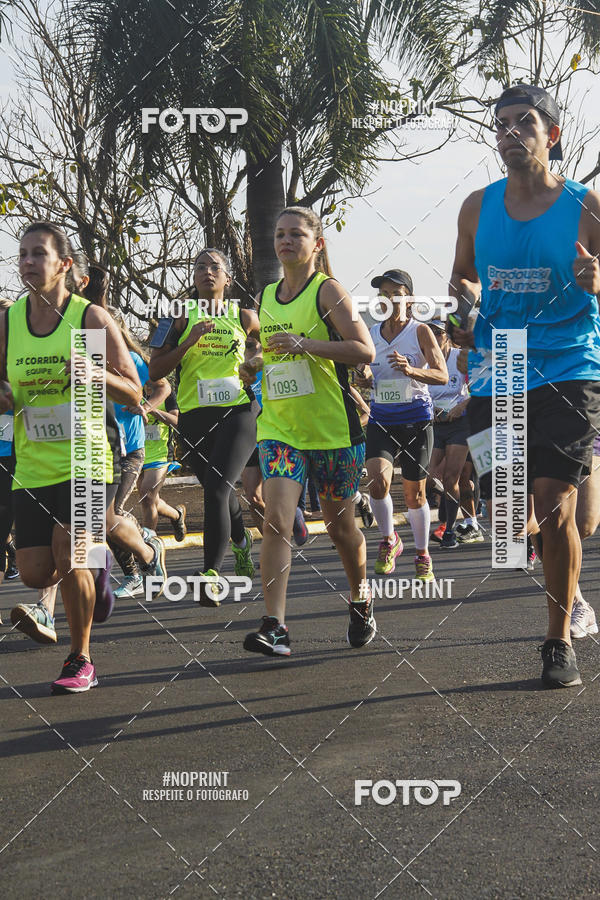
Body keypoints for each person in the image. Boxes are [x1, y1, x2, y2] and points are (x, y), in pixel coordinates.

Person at [450, 84, 600, 688]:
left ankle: (557, 640)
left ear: (552, 135)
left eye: (524, 123)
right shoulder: (476, 207)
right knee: (508, 522)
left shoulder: (586, 205)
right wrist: (464, 304)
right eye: (502, 124)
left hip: (568, 363)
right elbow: (462, 276)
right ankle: (566, 580)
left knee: (552, 503)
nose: (511, 133)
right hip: (499, 363)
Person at [0, 222, 143, 694]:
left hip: (85, 461)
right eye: (22, 254)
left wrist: (94, 372)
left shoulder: (89, 320)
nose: (26, 262)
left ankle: (80, 658)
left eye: (37, 254)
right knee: (36, 572)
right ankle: (96, 576)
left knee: (71, 552)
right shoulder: (9, 321)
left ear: (64, 265)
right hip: (33, 464)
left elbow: (135, 395)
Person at [239, 206, 376, 656]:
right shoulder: (266, 294)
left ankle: (360, 599)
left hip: (332, 430)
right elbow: (270, 353)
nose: (286, 241)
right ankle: (274, 625)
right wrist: (255, 365)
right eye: (280, 234)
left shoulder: (327, 290)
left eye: (296, 234)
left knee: (341, 531)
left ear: (317, 244)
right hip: (280, 428)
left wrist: (306, 345)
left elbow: (363, 349)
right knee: (277, 521)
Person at [149, 248, 258, 603]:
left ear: (227, 278)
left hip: (238, 411)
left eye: (215, 267)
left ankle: (211, 573)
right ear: (192, 277)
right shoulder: (178, 316)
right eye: (199, 267)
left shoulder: (243, 316)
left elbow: (269, 347)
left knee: (215, 489)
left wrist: (254, 360)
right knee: (219, 489)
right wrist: (189, 341)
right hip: (194, 418)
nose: (207, 272)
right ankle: (242, 542)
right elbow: (155, 369)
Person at [355, 270, 448, 581]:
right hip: (382, 417)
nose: (389, 298)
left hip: (416, 419)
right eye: (384, 293)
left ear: (409, 299)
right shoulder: (370, 332)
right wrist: (363, 375)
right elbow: (365, 374)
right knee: (377, 482)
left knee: (414, 496)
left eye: (396, 292)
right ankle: (389, 540)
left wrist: (412, 370)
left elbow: (442, 375)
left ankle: (422, 553)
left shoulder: (420, 331)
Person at [427, 320, 480, 547]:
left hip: (462, 423)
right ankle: (468, 523)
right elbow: (417, 391)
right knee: (430, 478)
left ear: (446, 336)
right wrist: (431, 408)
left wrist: (461, 406)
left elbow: (481, 388)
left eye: (438, 333)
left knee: (453, 478)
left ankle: (450, 530)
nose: (434, 338)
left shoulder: (460, 357)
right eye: (429, 333)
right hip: (436, 424)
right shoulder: (423, 359)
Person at [136, 380, 186, 537]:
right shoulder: (135, 390)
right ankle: (177, 515)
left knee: (147, 496)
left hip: (160, 453)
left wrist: (150, 409)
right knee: (151, 500)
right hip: (137, 451)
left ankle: (149, 543)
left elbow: (176, 422)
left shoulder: (167, 393)